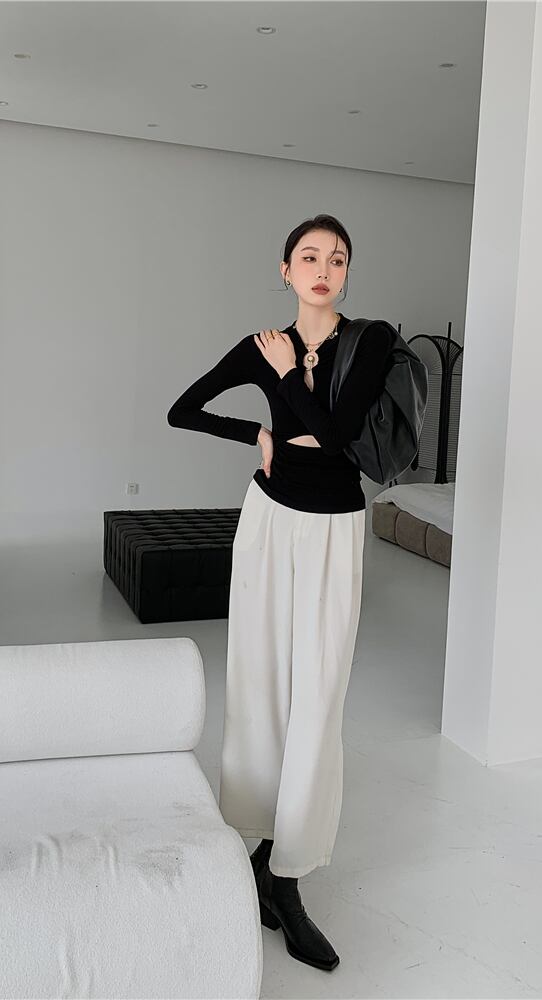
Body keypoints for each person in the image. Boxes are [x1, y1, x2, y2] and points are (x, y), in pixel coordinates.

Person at [167, 214, 393, 972]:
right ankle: (259, 855)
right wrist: (256, 436)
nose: (324, 269)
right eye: (309, 256)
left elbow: (337, 434)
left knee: (318, 693)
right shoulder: (260, 344)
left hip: (334, 527)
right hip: (269, 520)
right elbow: (182, 409)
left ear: (347, 274)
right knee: (259, 683)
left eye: (338, 259)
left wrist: (291, 376)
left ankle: (288, 877)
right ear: (286, 269)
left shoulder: (370, 341)